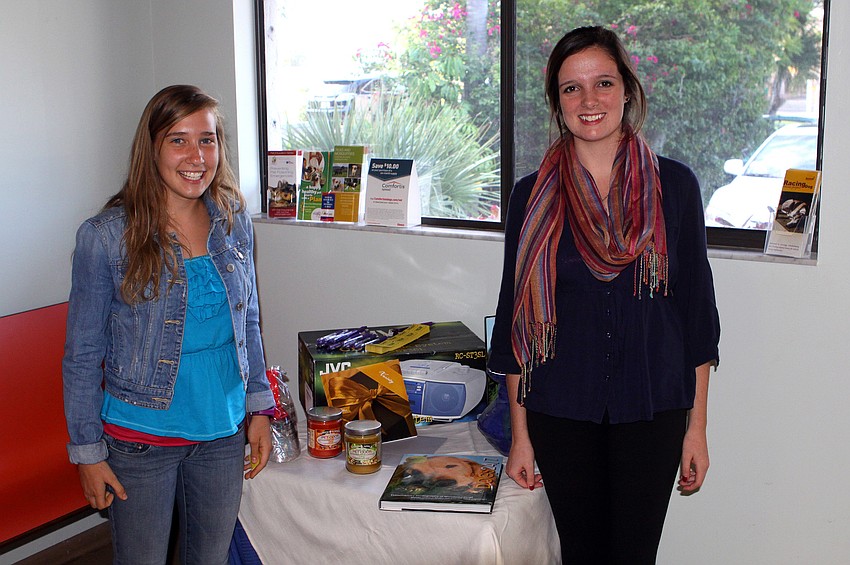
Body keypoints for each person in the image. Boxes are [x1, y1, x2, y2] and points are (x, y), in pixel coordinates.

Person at [487, 26, 721, 564]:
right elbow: (516, 322)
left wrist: (697, 430)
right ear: (557, 102)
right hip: (560, 413)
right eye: (572, 88)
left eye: (603, 83)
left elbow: (697, 318)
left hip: (653, 412)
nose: (589, 101)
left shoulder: (675, 187)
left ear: (627, 91)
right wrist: (520, 436)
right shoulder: (531, 196)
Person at [62, 85, 276, 564]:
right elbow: (81, 355)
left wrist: (260, 408)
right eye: (178, 140)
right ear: (151, 148)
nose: (196, 156)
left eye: (207, 139)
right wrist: (87, 453)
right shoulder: (106, 237)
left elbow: (250, 323)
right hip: (140, 439)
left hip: (221, 432)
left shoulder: (234, 219)